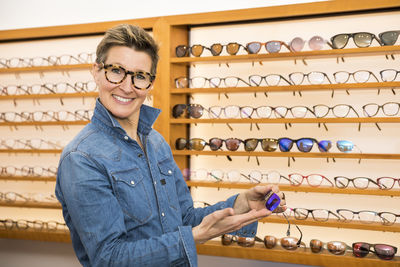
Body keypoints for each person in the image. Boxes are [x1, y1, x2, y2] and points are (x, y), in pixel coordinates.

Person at [55, 24, 286, 267]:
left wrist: (241, 204)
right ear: (97, 71)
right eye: (116, 71)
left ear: (150, 83)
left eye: (139, 76)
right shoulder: (81, 158)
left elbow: (183, 219)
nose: (126, 86)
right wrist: (194, 237)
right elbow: (109, 258)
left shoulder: (156, 142)